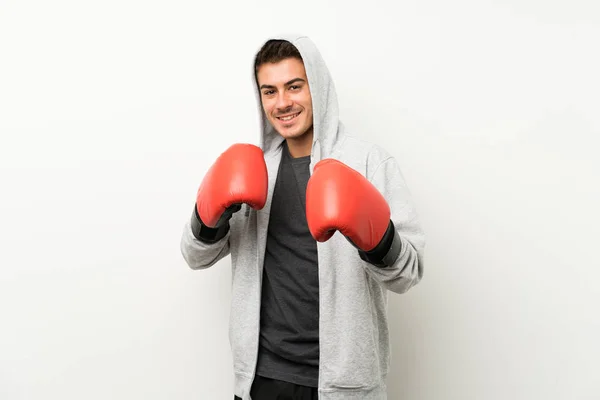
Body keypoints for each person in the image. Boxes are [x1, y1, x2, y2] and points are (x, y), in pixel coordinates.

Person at [180, 34, 426, 400]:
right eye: (270, 91)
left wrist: (376, 239)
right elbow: (194, 256)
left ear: (318, 88)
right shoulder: (251, 169)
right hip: (262, 379)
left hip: (343, 384)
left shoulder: (369, 163)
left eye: (294, 87)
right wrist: (209, 213)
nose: (282, 103)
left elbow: (409, 274)